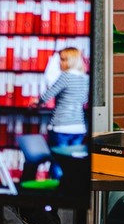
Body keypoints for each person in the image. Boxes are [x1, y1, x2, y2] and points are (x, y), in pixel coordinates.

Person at [37, 47, 89, 177]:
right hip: (78, 128)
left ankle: (57, 187)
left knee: (58, 162)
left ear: (70, 61)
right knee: (73, 163)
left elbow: (47, 96)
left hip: (61, 126)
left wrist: (36, 102)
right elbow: (84, 100)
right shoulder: (85, 78)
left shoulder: (65, 76)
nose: (60, 63)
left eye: (63, 59)